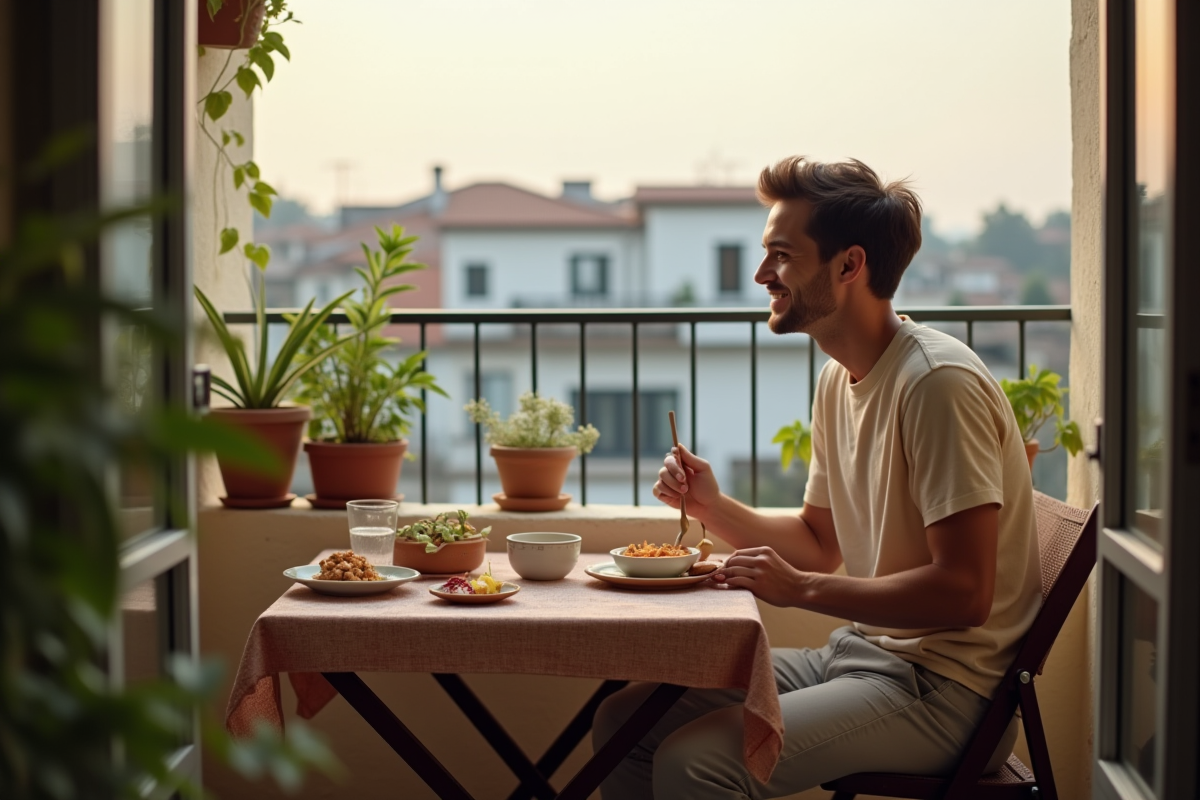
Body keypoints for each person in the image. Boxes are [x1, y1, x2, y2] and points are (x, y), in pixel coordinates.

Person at [592, 156, 1040, 800]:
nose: (760, 274)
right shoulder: (839, 378)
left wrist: (801, 590)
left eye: (781, 255)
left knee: (698, 761)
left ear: (849, 265)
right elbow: (818, 538)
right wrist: (711, 506)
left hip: (946, 691)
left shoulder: (938, 385)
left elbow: (964, 593)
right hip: (860, 657)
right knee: (626, 721)